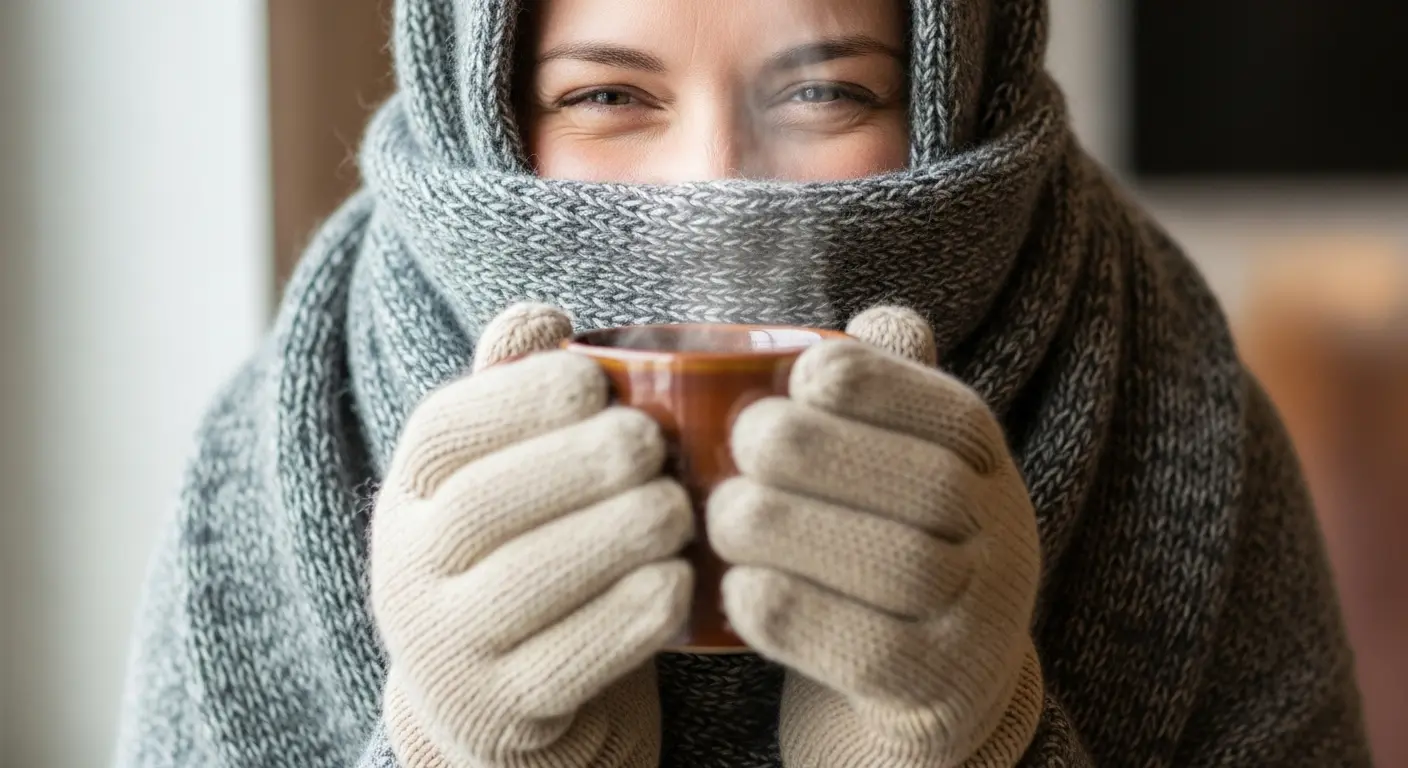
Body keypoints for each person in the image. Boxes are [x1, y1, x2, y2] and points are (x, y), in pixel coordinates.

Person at [113, 0, 1373, 766]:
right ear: (485, 104)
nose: (716, 190)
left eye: (823, 89)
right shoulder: (291, 438)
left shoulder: (1172, 400)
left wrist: (975, 742)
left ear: (947, 84)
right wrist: (457, 748)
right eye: (606, 94)